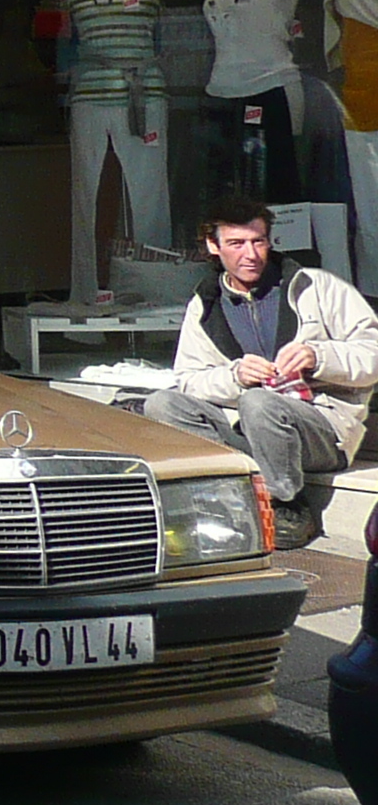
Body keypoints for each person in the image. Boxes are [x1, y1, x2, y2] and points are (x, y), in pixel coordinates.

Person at [145, 197, 378, 547]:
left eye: (258, 242)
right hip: (249, 426)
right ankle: (221, 499)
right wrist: (235, 376)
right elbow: (190, 379)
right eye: (237, 244)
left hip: (322, 430)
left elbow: (372, 354)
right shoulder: (205, 304)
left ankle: (286, 505)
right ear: (214, 246)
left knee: (260, 402)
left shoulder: (314, 287)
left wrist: (318, 356)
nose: (250, 255)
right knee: (162, 404)